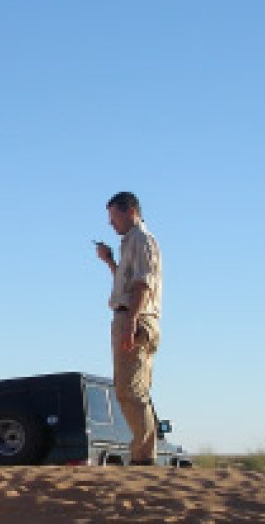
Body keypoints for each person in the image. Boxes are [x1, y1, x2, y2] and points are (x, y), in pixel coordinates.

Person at [94, 192, 162, 465]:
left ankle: (144, 457)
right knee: (134, 389)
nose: (111, 224)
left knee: (129, 390)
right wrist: (110, 262)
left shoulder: (142, 240)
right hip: (134, 314)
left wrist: (131, 321)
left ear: (130, 211)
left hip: (135, 316)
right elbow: (128, 282)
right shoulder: (131, 243)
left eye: (114, 217)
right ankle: (144, 453)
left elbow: (142, 284)